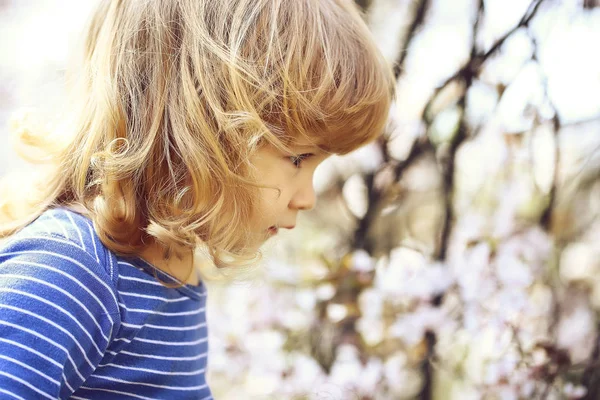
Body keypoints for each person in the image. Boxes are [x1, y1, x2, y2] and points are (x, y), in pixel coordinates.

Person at [0, 0, 393, 398]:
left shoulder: (170, 271)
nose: (307, 198)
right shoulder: (74, 271)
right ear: (200, 122)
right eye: (297, 157)